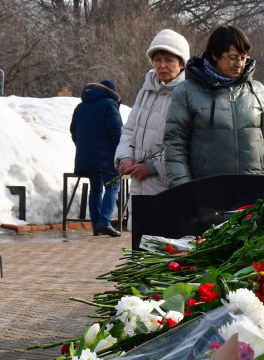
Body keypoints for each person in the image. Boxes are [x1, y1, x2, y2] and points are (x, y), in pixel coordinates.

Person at [164, 25, 264, 187]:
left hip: (255, 189)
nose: (239, 64)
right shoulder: (187, 91)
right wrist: (184, 191)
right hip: (207, 192)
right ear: (215, 55)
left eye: (243, 58)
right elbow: (175, 145)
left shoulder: (257, 91)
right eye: (232, 57)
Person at [114, 29, 190, 203]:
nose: (162, 65)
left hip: (169, 188)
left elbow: (188, 144)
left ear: (182, 64)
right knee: (139, 229)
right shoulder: (146, 91)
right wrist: (125, 158)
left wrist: (153, 167)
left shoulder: (188, 94)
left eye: (169, 60)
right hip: (139, 188)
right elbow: (129, 130)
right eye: (157, 60)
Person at [70, 80, 122, 237]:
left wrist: (83, 147)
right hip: (107, 156)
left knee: (96, 189)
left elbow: (73, 131)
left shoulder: (80, 107)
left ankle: (96, 225)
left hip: (86, 156)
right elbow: (116, 130)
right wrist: (120, 150)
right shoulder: (109, 104)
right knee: (113, 186)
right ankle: (104, 222)